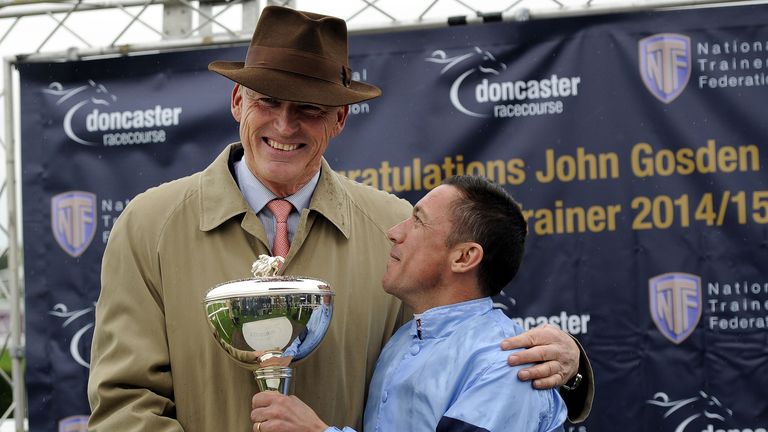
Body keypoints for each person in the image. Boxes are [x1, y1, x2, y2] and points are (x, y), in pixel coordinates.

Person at [87, 6, 592, 432]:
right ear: (238, 102)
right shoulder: (149, 226)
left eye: (309, 108)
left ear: (339, 119)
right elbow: (125, 404)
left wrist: (567, 372)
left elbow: (448, 356)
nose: (285, 125)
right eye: (268, 101)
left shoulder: (393, 226)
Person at [251, 176, 566, 432]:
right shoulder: (403, 339)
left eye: (418, 221)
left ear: (464, 257)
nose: (394, 232)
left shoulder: (507, 365)